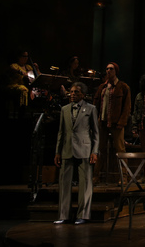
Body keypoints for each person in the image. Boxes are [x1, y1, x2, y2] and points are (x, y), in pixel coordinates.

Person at [53, 82, 99, 225]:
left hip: (84, 150)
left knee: (85, 184)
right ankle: (63, 215)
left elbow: (96, 133)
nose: (73, 94)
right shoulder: (65, 109)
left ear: (83, 95)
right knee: (64, 183)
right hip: (67, 149)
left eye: (76, 92)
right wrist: (57, 152)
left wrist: (94, 151)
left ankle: (83, 215)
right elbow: (61, 132)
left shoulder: (91, 109)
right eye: (71, 92)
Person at [93, 62, 131, 184]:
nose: (108, 71)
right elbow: (96, 104)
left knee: (120, 149)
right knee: (100, 149)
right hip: (103, 122)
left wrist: (122, 122)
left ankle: (123, 176)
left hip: (116, 123)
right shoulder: (102, 87)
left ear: (116, 71)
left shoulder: (123, 87)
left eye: (111, 69)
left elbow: (126, 107)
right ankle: (96, 176)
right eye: (107, 68)